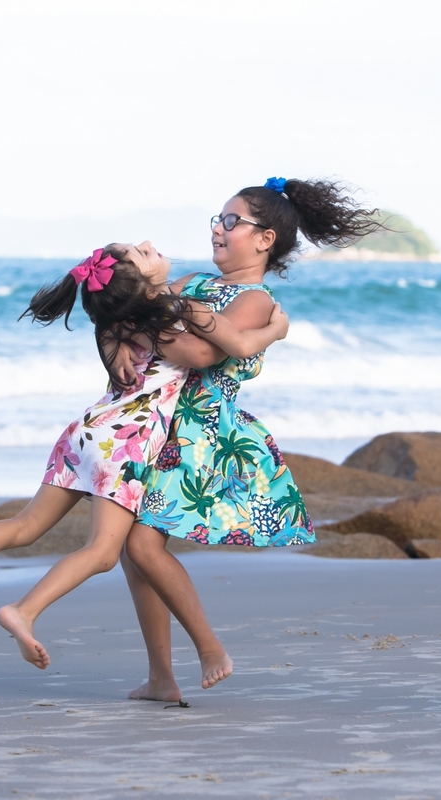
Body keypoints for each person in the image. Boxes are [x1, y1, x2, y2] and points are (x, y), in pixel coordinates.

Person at [0, 241, 289, 678]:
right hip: (126, 443)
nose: (150, 246)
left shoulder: (121, 320)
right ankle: (25, 610)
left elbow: (122, 326)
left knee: (25, 525)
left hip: (90, 428)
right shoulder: (171, 319)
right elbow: (220, 351)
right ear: (144, 285)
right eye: (142, 254)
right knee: (101, 553)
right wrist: (275, 330)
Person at [117, 177, 380, 702]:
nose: (219, 228)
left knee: (143, 544)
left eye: (232, 221)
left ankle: (210, 649)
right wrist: (122, 336)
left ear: (265, 239)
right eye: (218, 219)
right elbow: (132, 310)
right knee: (134, 550)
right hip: (153, 423)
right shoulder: (192, 281)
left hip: (196, 434)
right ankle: (160, 678)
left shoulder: (256, 301)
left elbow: (204, 352)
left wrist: (147, 324)